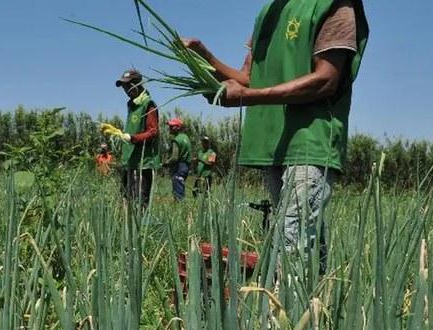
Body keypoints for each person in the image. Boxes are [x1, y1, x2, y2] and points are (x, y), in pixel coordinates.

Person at [183, 0, 368, 274]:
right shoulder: (268, 12)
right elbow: (248, 78)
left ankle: (285, 302)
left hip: (310, 142)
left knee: (293, 239)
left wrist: (248, 97)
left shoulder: (334, 5)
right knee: (299, 236)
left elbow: (326, 80)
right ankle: (318, 297)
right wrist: (203, 56)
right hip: (273, 144)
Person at [105, 69, 160, 209]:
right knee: (126, 200)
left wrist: (132, 138)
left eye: (128, 86)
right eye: (124, 87)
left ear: (137, 84)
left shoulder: (148, 104)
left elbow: (153, 132)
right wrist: (118, 133)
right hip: (129, 161)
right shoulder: (132, 104)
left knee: (140, 204)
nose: (126, 90)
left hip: (142, 163)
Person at [162, 118, 192, 201]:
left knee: (177, 190)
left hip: (179, 167)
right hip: (186, 166)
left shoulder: (176, 140)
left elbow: (174, 157)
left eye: (172, 126)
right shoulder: (185, 137)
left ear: (178, 127)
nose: (169, 128)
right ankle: (181, 203)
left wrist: (166, 163)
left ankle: (179, 204)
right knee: (181, 186)